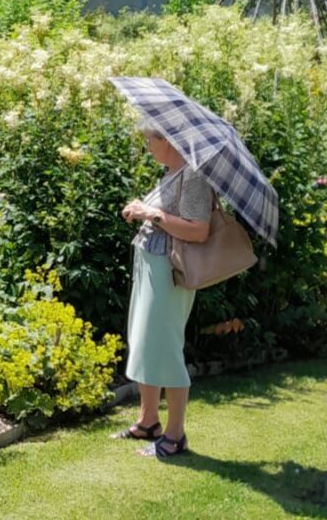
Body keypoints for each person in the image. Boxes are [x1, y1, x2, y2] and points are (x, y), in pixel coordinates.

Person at [114, 123, 212, 459]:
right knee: (144, 342)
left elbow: (199, 231)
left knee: (166, 349)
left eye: (149, 140)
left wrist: (151, 212)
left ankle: (174, 435)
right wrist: (141, 209)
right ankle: (148, 421)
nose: (146, 146)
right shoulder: (171, 172)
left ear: (168, 141)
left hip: (169, 271)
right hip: (150, 264)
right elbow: (161, 215)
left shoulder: (194, 177)